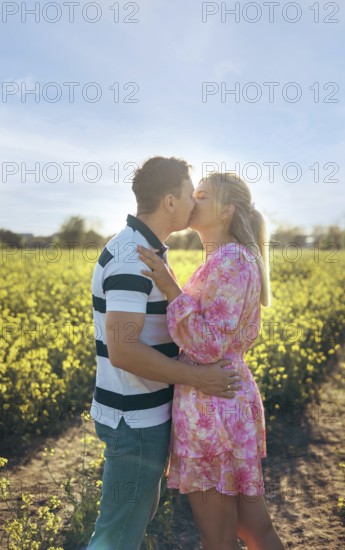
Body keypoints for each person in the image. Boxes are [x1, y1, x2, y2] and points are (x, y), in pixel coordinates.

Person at [87, 158, 242, 550]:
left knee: (127, 528)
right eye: (191, 194)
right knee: (116, 537)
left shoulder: (148, 250)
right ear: (170, 201)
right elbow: (123, 352)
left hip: (143, 415)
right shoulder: (131, 256)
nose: (195, 202)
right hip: (133, 420)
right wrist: (199, 377)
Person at [137, 172, 285, 550]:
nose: (192, 199)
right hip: (223, 401)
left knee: (218, 538)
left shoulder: (232, 260)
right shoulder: (229, 258)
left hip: (213, 409)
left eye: (202, 195)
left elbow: (207, 346)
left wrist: (171, 288)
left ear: (226, 211)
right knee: (255, 531)